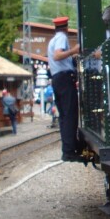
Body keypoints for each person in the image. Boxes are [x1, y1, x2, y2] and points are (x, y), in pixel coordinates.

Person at [48, 15, 83, 161]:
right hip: (64, 79)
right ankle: (70, 151)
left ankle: (68, 148)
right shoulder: (61, 38)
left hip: (57, 79)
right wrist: (74, 50)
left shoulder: (52, 40)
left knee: (64, 116)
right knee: (70, 114)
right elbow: (57, 55)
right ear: (66, 27)